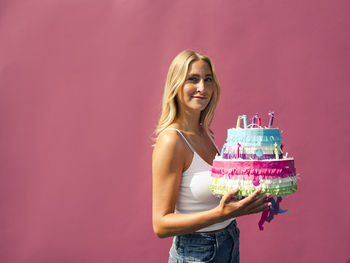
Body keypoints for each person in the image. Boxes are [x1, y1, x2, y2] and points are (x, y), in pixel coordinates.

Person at [152, 50, 272, 263]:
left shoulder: (206, 133)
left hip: (229, 241)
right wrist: (222, 214)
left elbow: (213, 194)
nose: (202, 88)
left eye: (208, 79)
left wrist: (246, 197)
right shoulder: (172, 141)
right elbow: (161, 225)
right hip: (196, 252)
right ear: (176, 85)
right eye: (193, 79)